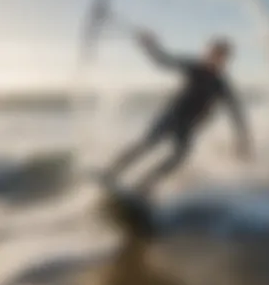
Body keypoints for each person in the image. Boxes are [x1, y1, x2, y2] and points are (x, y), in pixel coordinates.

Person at [103, 30, 254, 194]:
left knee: (179, 157)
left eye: (221, 56)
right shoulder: (195, 67)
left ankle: (144, 186)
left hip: (188, 127)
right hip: (172, 116)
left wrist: (242, 142)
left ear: (225, 60)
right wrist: (150, 45)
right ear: (209, 53)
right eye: (214, 53)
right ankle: (110, 172)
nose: (216, 58)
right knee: (147, 144)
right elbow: (165, 61)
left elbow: (236, 114)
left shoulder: (221, 84)